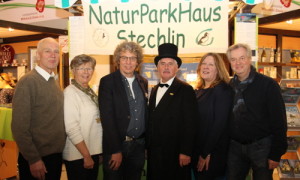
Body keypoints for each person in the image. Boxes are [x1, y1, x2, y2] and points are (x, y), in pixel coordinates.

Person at [226, 43, 287, 180]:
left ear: (249, 59)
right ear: (230, 63)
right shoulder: (229, 86)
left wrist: (276, 153)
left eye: (242, 58)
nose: (238, 63)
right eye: (234, 59)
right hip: (235, 148)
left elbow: (279, 121)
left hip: (262, 147)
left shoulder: (268, 85)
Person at [11, 37, 66, 180]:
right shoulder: (28, 82)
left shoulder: (53, 80)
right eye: (47, 51)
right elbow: (19, 127)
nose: (53, 55)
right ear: (38, 55)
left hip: (53, 156)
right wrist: (33, 159)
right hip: (38, 159)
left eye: (56, 52)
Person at [146, 43, 197, 180]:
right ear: (157, 68)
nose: (166, 67)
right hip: (155, 153)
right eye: (163, 63)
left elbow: (190, 124)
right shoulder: (155, 89)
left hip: (175, 154)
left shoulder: (186, 90)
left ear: (177, 68)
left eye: (170, 63)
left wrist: (186, 152)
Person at [98, 41, 148, 180]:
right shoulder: (107, 82)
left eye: (132, 58)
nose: (128, 62)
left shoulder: (142, 81)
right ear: (118, 60)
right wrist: (115, 150)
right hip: (117, 146)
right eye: (124, 58)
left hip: (138, 146)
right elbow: (107, 118)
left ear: (137, 61)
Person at [192, 53, 233, 180]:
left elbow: (219, 125)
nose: (206, 67)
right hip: (198, 150)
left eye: (211, 64)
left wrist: (206, 153)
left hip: (212, 154)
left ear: (218, 69)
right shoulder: (199, 91)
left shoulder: (222, 90)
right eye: (204, 63)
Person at [63, 54, 103, 180]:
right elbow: (71, 128)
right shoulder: (70, 93)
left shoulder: (88, 91)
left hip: (92, 152)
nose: (86, 72)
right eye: (81, 68)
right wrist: (86, 156)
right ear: (73, 71)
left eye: (89, 68)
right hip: (79, 156)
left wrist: (98, 152)